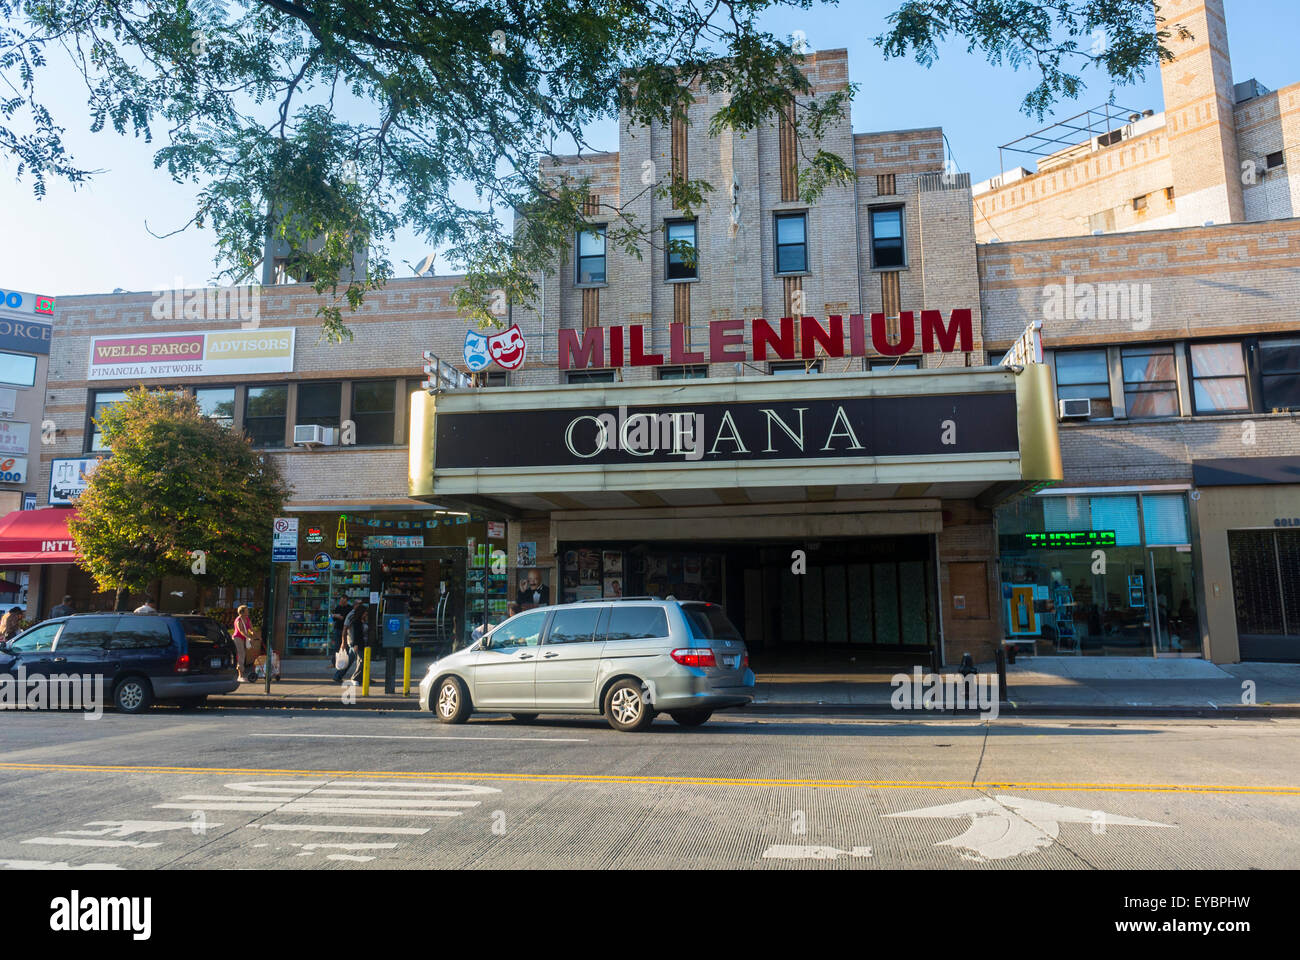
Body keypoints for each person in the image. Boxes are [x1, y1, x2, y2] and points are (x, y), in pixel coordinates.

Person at [337, 601, 369, 684]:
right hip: (355, 642)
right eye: (365, 613)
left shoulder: (361, 620)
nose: (366, 615)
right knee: (361, 660)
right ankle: (355, 678)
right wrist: (345, 642)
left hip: (358, 643)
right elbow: (347, 630)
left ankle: (360, 677)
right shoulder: (353, 617)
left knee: (355, 660)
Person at [231, 605, 254, 681]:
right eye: (247, 610)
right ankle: (240, 676)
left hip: (244, 638)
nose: (248, 611)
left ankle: (241, 674)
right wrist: (249, 637)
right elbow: (241, 631)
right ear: (242, 612)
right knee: (241, 654)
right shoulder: (238, 620)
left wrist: (255, 635)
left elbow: (251, 629)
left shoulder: (247, 619)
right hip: (237, 638)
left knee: (243, 655)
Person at [330, 597, 351, 662]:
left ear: (346, 601)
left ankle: (346, 661)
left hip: (346, 629)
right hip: (338, 628)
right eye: (341, 601)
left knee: (346, 645)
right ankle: (335, 662)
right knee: (337, 645)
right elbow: (333, 618)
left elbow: (343, 618)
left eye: (343, 601)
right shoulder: (338, 607)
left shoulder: (349, 608)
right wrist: (336, 616)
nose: (341, 602)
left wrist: (336, 616)